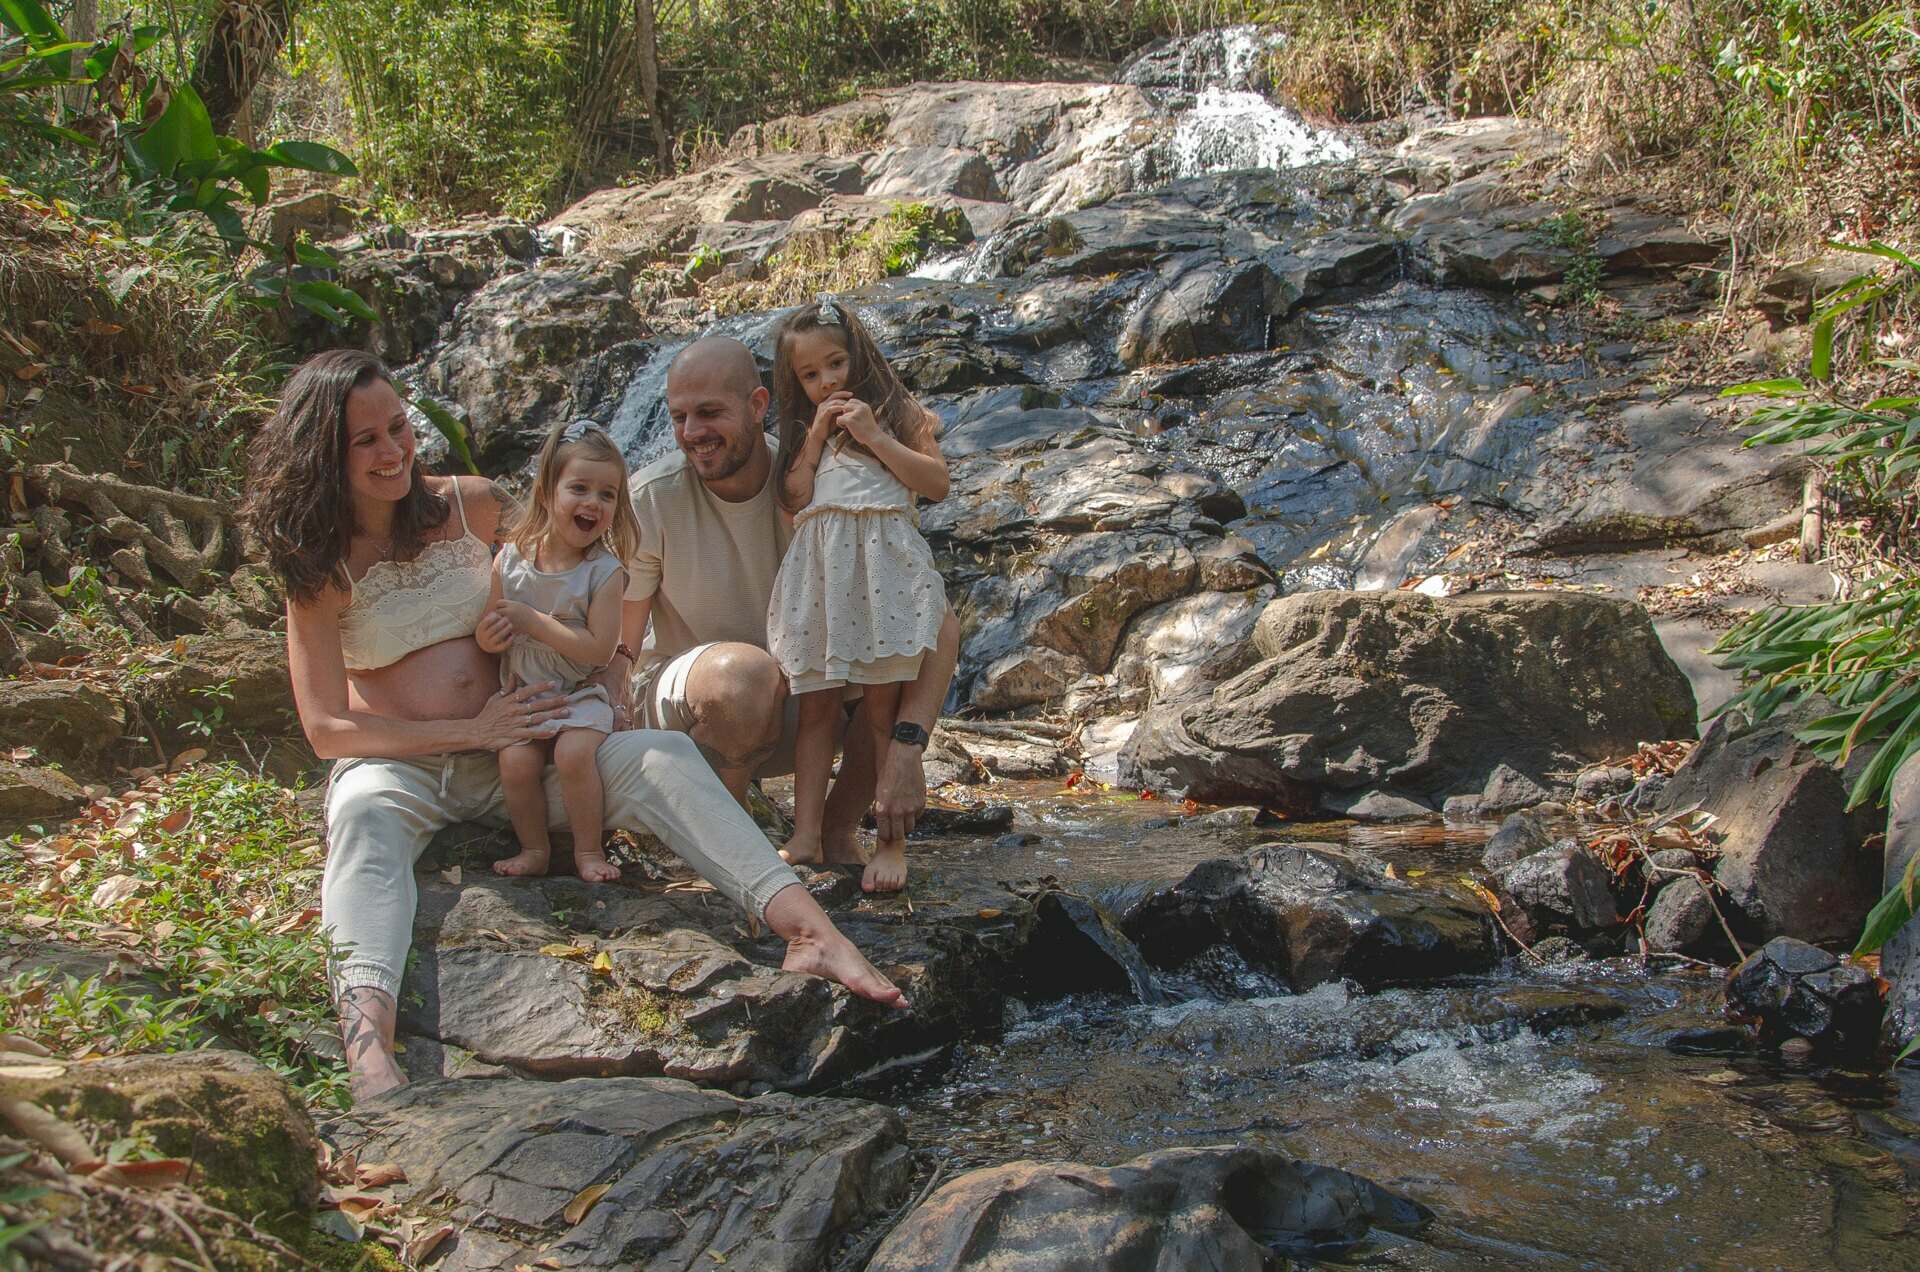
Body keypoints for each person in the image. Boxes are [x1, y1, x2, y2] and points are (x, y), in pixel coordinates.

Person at [241, 349, 907, 1105]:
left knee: (659, 757)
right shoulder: (318, 562)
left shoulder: (471, 505)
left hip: (532, 747)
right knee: (359, 814)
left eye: (398, 427)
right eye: (366, 441)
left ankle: (811, 931)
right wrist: (472, 731)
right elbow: (328, 729)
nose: (394, 452)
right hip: (411, 768)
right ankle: (371, 1054)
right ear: (324, 451)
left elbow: (579, 570)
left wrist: (605, 678)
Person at [615, 335, 961, 894]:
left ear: (757, 406)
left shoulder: (819, 474)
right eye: (679, 417)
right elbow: (623, 641)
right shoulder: (651, 497)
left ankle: (833, 830)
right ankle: (731, 848)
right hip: (693, 710)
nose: (691, 434)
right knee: (745, 677)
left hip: (801, 701)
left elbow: (937, 620)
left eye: (709, 413)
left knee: (900, 651)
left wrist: (906, 749)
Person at [766, 298, 949, 892]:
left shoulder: (899, 414)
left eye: (836, 364)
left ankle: (890, 843)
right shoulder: (803, 431)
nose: (826, 382)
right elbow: (792, 498)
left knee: (880, 707)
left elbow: (936, 484)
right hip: (823, 579)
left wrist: (873, 436)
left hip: (882, 575)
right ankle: (806, 833)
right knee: (817, 709)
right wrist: (817, 436)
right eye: (810, 375)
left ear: (859, 355)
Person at [479, 420, 636, 884]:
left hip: (580, 693)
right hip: (526, 693)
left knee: (571, 755)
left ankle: (588, 850)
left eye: (607, 495)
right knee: (516, 759)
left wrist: (534, 623)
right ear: (546, 493)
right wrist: (492, 638)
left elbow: (598, 651)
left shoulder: (604, 573)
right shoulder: (510, 559)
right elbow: (488, 630)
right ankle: (535, 849)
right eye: (580, 489)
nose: (593, 503)